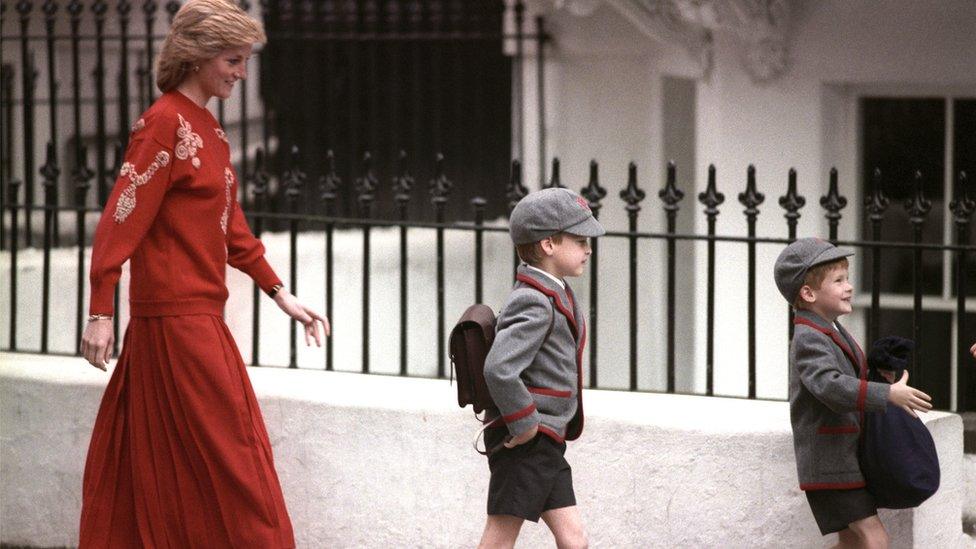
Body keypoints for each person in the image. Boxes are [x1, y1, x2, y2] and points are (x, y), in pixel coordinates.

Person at [78, 1, 327, 546]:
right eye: (233, 60)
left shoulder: (210, 132)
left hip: (196, 320)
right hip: (175, 323)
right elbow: (121, 218)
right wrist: (100, 312)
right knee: (233, 458)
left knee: (173, 464)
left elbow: (231, 227)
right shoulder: (163, 123)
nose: (241, 73)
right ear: (197, 57)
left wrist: (281, 293)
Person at [774, 238, 931, 547]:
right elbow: (830, 386)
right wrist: (886, 395)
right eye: (838, 280)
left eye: (847, 278)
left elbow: (845, 379)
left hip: (844, 460)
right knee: (875, 539)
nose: (848, 286)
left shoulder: (829, 329)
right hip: (830, 464)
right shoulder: (809, 337)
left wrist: (878, 374)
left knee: (851, 543)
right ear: (808, 293)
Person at [478, 188, 604, 549]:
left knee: (574, 539)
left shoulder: (555, 291)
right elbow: (500, 369)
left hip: (545, 440)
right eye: (580, 240)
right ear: (548, 244)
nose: (588, 248)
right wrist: (527, 425)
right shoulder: (533, 301)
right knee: (500, 537)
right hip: (527, 440)